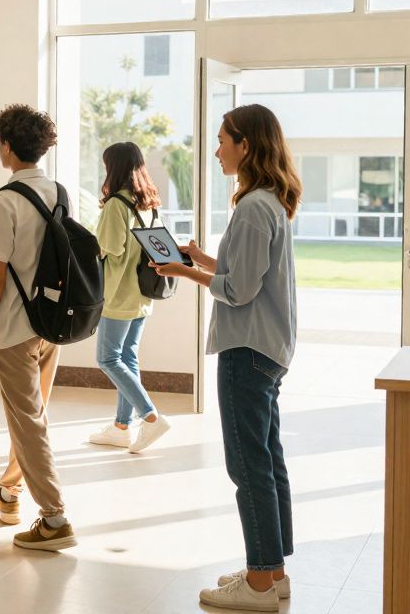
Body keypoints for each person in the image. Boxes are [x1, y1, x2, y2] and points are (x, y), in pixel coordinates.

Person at [152, 103, 300, 611]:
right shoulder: (267, 203)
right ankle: (272, 571)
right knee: (267, 460)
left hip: (248, 349)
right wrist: (198, 257)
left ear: (247, 145)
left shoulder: (254, 207)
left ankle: (259, 582)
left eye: (222, 140)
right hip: (266, 348)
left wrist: (183, 272)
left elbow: (237, 291)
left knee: (248, 465)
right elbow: (245, 273)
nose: (215, 150)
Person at [0, 104, 77, 551]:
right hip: (52, 322)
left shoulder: (5, 201)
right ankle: (9, 492)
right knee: (32, 417)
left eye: (0, 142)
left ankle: (54, 518)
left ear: (8, 147)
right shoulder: (58, 192)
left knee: (27, 421)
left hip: (15, 329)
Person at [89, 142, 171, 452]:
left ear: (115, 168)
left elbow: (109, 249)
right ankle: (122, 427)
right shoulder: (148, 204)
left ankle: (150, 417)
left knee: (107, 358)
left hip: (118, 296)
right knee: (127, 357)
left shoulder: (116, 206)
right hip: (141, 295)